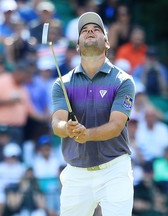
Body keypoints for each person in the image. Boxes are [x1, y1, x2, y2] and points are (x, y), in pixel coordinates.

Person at [51, 12, 136, 216]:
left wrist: (86, 134)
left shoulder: (123, 81)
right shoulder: (62, 83)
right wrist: (68, 129)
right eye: (84, 30)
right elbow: (57, 123)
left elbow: (116, 126)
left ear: (107, 43)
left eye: (96, 29)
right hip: (76, 173)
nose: (90, 31)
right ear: (78, 46)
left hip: (115, 170)